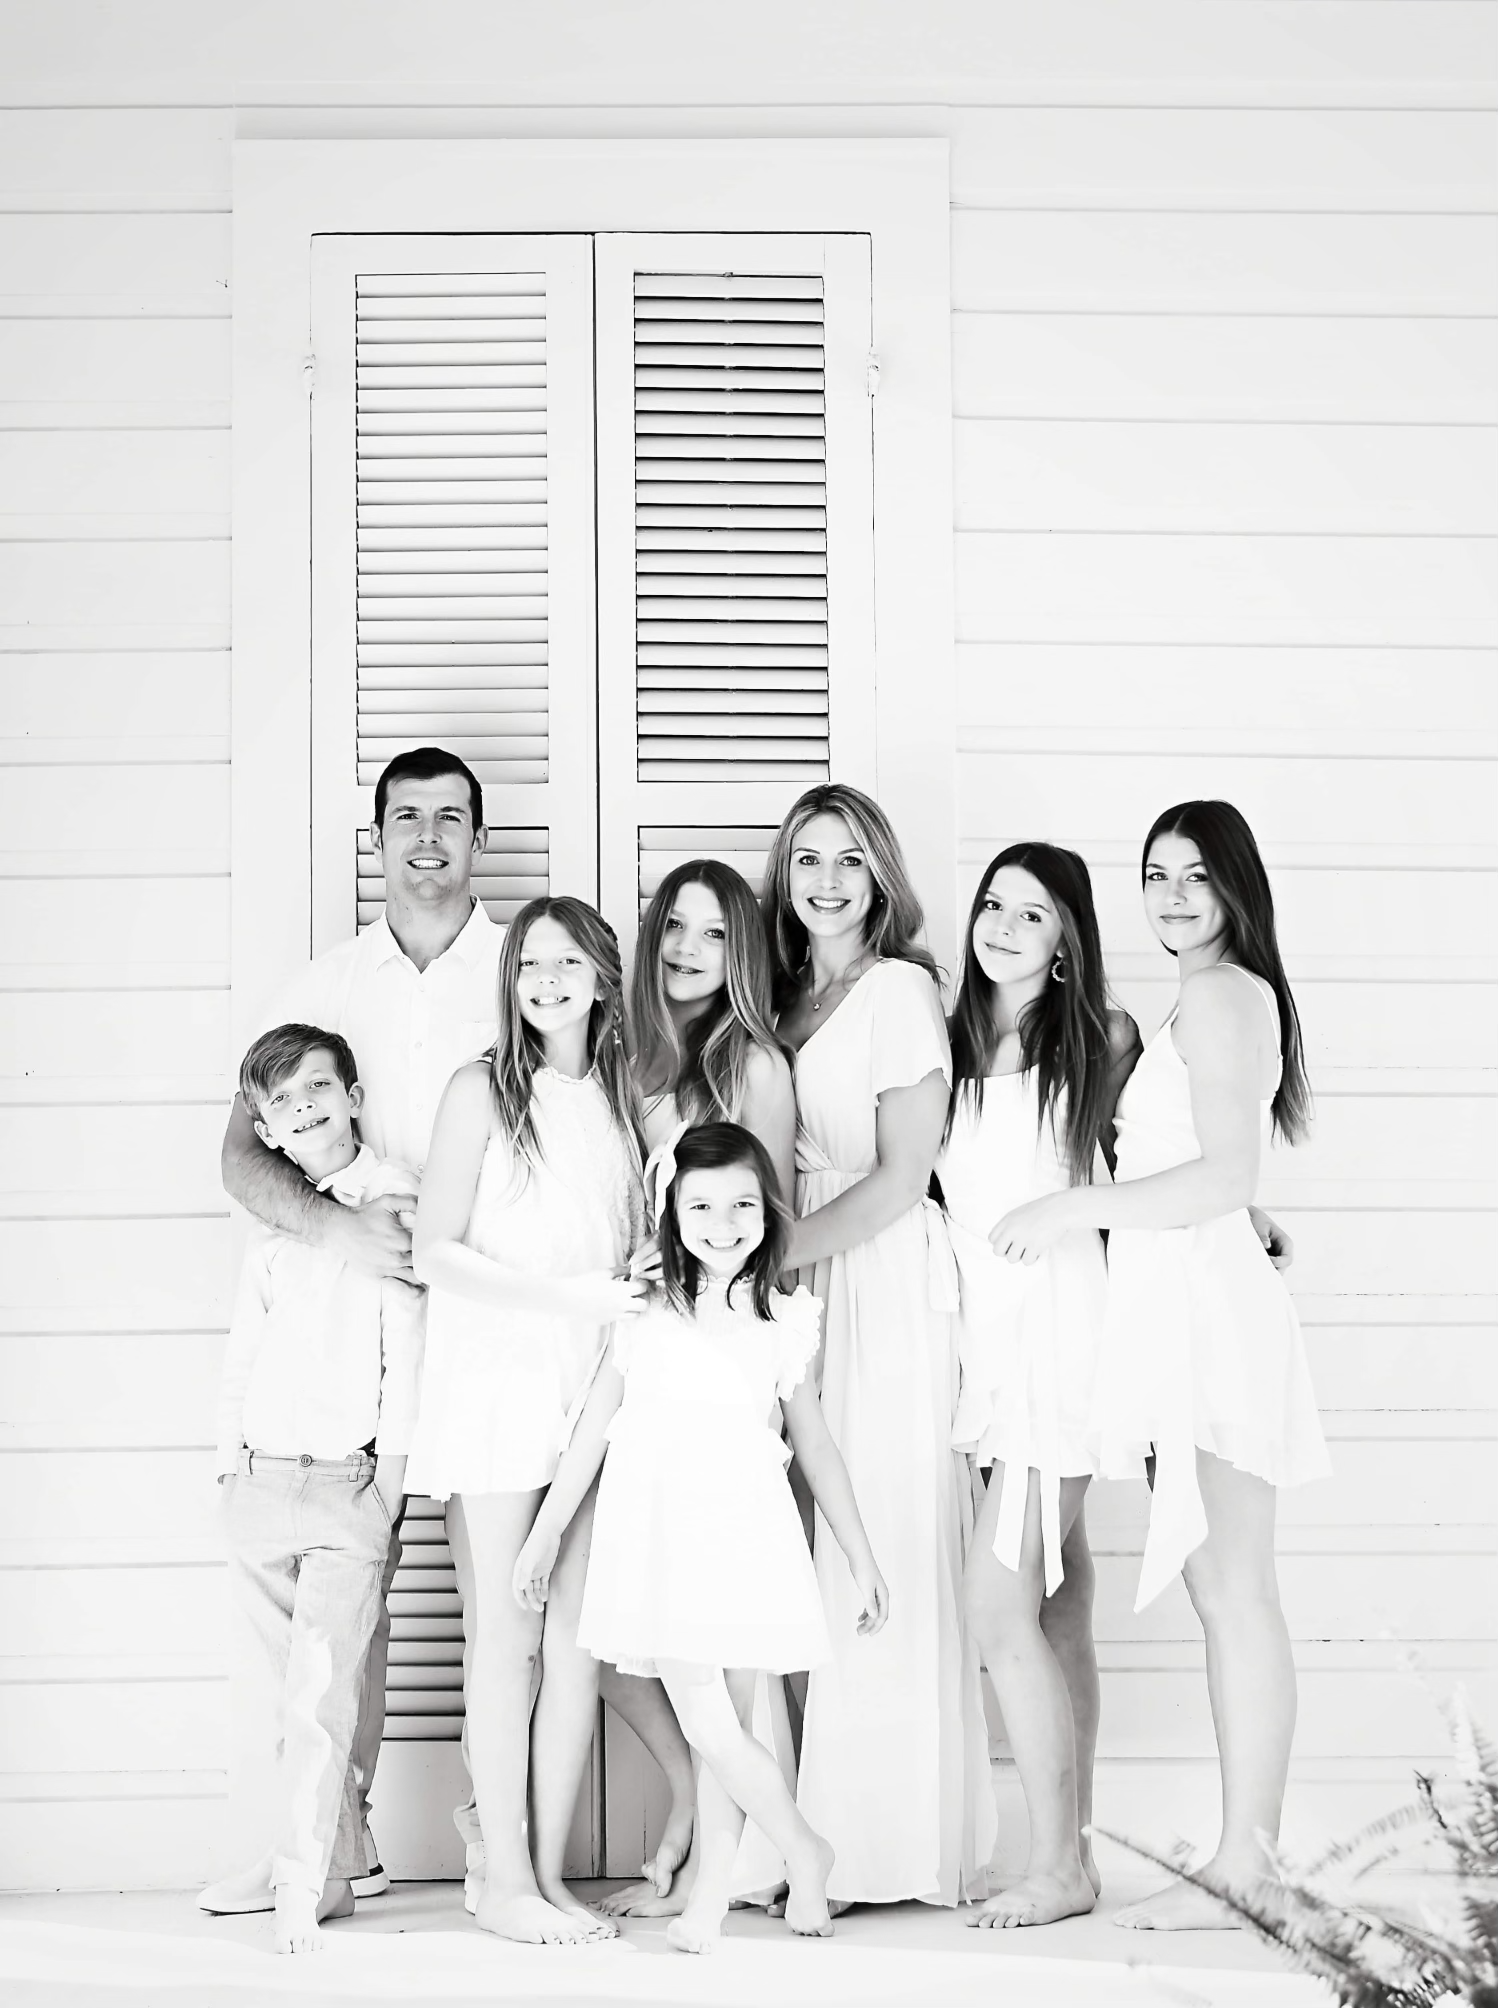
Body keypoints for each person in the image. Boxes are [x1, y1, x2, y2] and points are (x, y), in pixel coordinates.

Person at [990, 800, 1328, 1930]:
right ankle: (1246, 1855)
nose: (1174, 895)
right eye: (1155, 875)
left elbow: (1224, 1174)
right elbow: (1213, 1165)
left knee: (1236, 1592)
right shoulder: (1203, 997)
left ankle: (1252, 1859)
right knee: (1221, 1588)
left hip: (1208, 1317)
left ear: (1238, 885)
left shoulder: (1228, 994)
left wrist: (1073, 1201)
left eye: (1196, 875)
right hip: (1181, 1308)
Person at [219, 746, 503, 1902]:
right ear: (375, 841)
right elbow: (239, 1151)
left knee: (501, 1598)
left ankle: (503, 1847)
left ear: (478, 838)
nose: (426, 836)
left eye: (449, 818)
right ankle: (329, 1849)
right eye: (405, 818)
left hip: (492, 1334)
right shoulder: (324, 984)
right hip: (349, 1343)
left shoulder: (517, 966)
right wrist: (340, 1234)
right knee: (348, 1607)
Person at [513, 1124, 889, 1953]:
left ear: (769, 1211)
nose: (724, 1223)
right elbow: (592, 1427)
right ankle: (804, 1846)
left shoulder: (784, 1318)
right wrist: (543, 1537)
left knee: (732, 1726)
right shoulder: (643, 1309)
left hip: (746, 1532)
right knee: (711, 1724)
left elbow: (817, 1446)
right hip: (660, 1536)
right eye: (703, 1205)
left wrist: (861, 1558)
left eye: (743, 1204)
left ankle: (710, 1904)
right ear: (672, 1215)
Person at [762, 782, 996, 1910]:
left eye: (849, 859)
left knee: (880, 1536)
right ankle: (794, 1826)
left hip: (880, 1275)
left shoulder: (901, 990)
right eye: (806, 856)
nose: (825, 878)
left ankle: (881, 1840)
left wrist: (780, 1250)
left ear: (881, 876)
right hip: (798, 1270)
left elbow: (904, 1175)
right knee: (792, 1546)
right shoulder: (781, 993)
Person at [408, 896, 647, 1944]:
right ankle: (499, 1874)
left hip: (597, 1391)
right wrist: (571, 1299)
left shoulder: (626, 1096)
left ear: (602, 976)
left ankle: (544, 1874)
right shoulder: (481, 1089)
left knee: (577, 1639)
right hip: (498, 1385)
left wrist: (624, 1291)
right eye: (528, 963)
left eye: (566, 962)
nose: (545, 979)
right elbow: (433, 1249)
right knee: (505, 1637)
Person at [937, 843, 1139, 1928]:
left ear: (1067, 943)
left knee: (997, 1600)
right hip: (983, 1345)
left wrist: (1242, 1223)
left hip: (1059, 1345)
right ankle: (1075, 1852)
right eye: (994, 905)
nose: (1006, 925)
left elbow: (1151, 1168)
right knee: (1058, 1605)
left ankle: (1054, 1861)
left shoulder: (1098, 1040)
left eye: (1035, 913)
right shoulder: (951, 1037)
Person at [593, 858, 799, 1917]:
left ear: (743, 955)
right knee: (607, 1635)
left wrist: (743, 1375)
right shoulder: (625, 1054)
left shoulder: (749, 1063)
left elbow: (767, 1234)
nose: (686, 950)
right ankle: (689, 1805)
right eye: (675, 926)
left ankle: (726, 1871)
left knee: (715, 1645)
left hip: (710, 1370)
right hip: (622, 1338)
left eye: (715, 936)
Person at [200, 1026, 423, 1953]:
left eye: (319, 1088)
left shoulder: (395, 1204)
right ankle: (325, 1855)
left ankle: (302, 1885)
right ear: (267, 1131)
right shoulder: (274, 1236)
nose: (305, 1109)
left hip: (348, 1487)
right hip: (259, 1485)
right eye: (283, 1103)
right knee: (280, 1700)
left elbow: (405, 1359)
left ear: (355, 1096)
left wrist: (394, 1490)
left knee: (321, 1699)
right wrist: (227, 1468)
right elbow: (241, 1360)